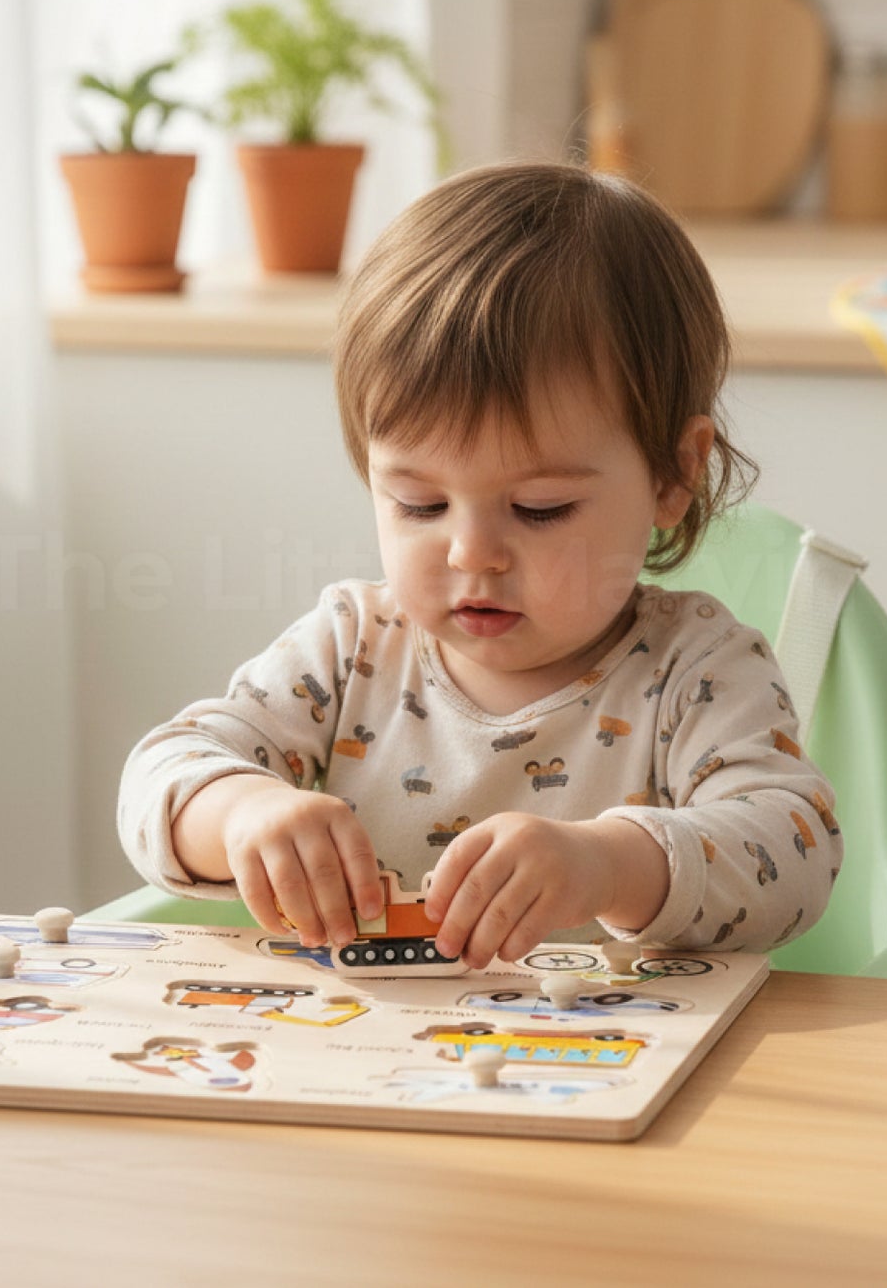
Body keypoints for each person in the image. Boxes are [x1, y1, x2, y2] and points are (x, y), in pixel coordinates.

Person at [118, 163, 841, 970]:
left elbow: (795, 851)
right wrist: (243, 812)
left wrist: (603, 863)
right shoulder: (350, 648)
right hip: (361, 1062)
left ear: (674, 474)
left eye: (538, 509)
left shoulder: (696, 671)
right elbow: (162, 772)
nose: (471, 553)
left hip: (619, 1071)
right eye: (419, 505)